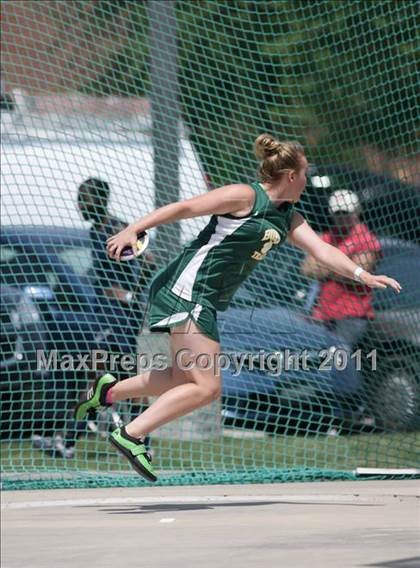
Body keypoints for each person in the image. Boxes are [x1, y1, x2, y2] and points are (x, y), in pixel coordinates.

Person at [73, 135, 401, 482]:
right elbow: (183, 208)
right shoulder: (246, 196)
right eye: (304, 173)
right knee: (207, 387)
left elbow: (322, 251)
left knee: (185, 377)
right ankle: (132, 433)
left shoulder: (287, 216)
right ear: (290, 175)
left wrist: (363, 274)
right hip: (186, 289)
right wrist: (133, 229)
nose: (307, 181)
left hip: (204, 298)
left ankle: (107, 391)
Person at [32, 178, 154, 458]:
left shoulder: (114, 228)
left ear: (100, 200)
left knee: (102, 374)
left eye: (85, 198)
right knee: (115, 376)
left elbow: (150, 261)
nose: (80, 204)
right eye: (79, 197)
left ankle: (69, 441)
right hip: (104, 315)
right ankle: (135, 441)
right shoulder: (95, 230)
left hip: (118, 315)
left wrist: (130, 295)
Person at [301, 189, 382, 349]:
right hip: (322, 313)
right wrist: (340, 267)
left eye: (346, 212)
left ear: (357, 211)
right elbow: (307, 269)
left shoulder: (366, 239)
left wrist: (325, 266)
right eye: (338, 213)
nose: (341, 217)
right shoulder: (328, 236)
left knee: (339, 362)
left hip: (350, 317)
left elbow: (357, 273)